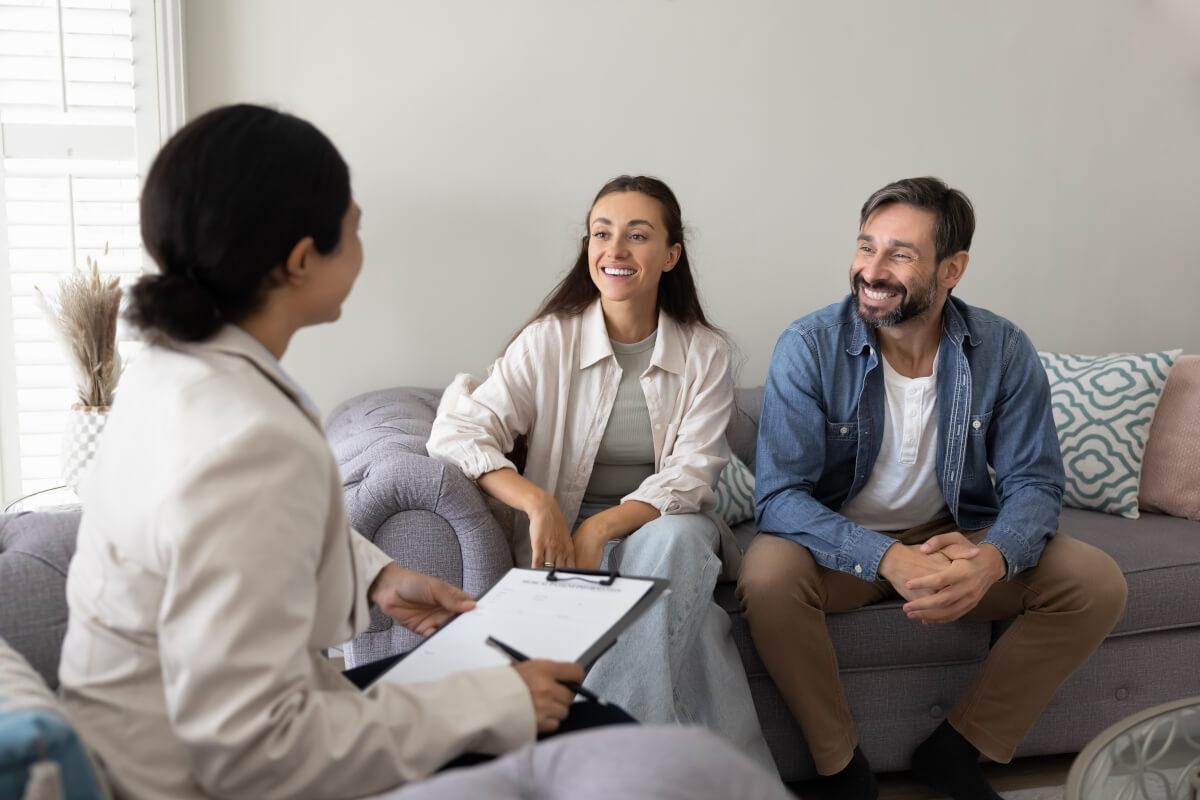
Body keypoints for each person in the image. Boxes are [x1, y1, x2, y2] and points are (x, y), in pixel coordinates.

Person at [57, 105, 790, 800]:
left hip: (152, 739)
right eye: (354, 225)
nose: (364, 243)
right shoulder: (252, 435)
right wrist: (489, 703)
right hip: (185, 775)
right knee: (592, 725)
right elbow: (253, 746)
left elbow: (225, 547)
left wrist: (376, 576)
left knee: (614, 672)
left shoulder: (173, 377)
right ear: (302, 258)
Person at [737, 176, 1128, 800]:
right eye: (867, 248)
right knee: (765, 577)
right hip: (839, 548)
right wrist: (886, 558)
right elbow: (780, 498)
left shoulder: (1001, 348)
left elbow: (1033, 480)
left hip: (953, 538)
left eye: (900, 254)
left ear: (952, 269)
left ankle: (956, 749)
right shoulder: (809, 345)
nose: (872, 270)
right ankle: (841, 768)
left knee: (1094, 580)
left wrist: (992, 559)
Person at [427, 175, 776, 771]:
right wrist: (539, 504)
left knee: (678, 537)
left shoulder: (705, 352)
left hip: (657, 526)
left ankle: (595, 761)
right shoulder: (548, 342)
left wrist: (603, 529)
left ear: (670, 255)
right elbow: (459, 432)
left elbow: (693, 474)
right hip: (562, 532)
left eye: (637, 236)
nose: (614, 250)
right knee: (698, 642)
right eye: (601, 233)